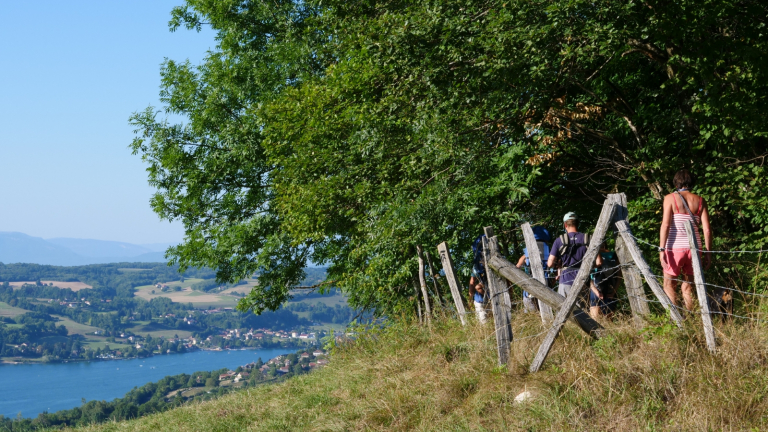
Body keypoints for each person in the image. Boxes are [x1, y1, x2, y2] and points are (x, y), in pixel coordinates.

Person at [659, 169, 712, 311]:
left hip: (674, 247)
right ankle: (689, 318)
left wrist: (661, 249)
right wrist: (708, 252)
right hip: (695, 248)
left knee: (668, 284)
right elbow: (707, 230)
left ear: (676, 182)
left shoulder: (670, 198)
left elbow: (665, 224)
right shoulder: (701, 200)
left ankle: (675, 320)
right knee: (688, 287)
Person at [547, 212, 602, 297]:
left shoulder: (559, 240)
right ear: (577, 224)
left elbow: (550, 264)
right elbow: (599, 262)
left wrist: (558, 265)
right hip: (583, 280)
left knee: (563, 308)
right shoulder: (588, 239)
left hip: (565, 281)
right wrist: (586, 267)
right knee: (582, 309)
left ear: (565, 225)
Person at [516, 226, 551, 313]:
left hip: (529, 286)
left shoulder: (528, 250)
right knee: (545, 312)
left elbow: (518, 266)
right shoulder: (548, 250)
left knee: (530, 313)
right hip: (545, 286)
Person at [588, 244, 620, 319]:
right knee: (609, 321)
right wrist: (613, 292)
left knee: (595, 320)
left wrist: (595, 291)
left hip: (596, 289)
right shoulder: (614, 255)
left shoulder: (593, 254)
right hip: (610, 290)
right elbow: (619, 277)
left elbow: (589, 278)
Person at [469, 234, 489, 324]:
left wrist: (470, 297)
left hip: (480, 299)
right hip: (496, 297)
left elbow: (472, 282)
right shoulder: (498, 260)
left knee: (484, 325)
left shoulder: (476, 265)